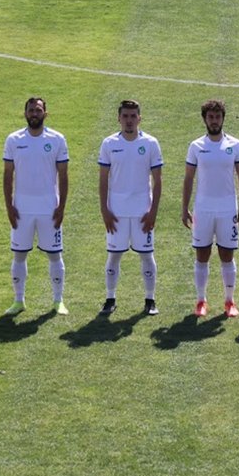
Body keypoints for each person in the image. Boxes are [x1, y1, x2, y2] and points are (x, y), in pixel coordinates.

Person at [2, 98, 70, 315]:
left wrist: (61, 207)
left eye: (38, 110)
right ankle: (18, 301)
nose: (34, 113)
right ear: (25, 114)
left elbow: (63, 175)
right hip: (21, 209)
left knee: (54, 255)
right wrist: (9, 206)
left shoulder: (57, 139)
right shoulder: (13, 140)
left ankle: (58, 301)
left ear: (45, 114)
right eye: (31, 110)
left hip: (49, 209)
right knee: (19, 255)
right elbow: (7, 175)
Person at [181, 99, 239, 318]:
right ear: (204, 119)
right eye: (210, 117)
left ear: (223, 118)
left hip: (228, 209)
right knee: (202, 256)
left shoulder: (235, 145)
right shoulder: (196, 146)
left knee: (227, 256)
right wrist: (184, 207)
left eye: (218, 116)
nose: (214, 121)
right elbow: (189, 178)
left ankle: (230, 302)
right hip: (203, 210)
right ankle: (201, 300)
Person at [98, 100, 163, 316]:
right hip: (116, 212)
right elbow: (103, 180)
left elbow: (158, 180)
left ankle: (150, 299)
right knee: (114, 255)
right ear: (119, 118)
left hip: (141, 211)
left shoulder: (151, 143)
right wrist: (105, 211)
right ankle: (110, 298)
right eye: (125, 116)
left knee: (146, 255)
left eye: (133, 116)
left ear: (139, 118)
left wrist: (153, 211)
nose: (129, 120)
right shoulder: (108, 144)